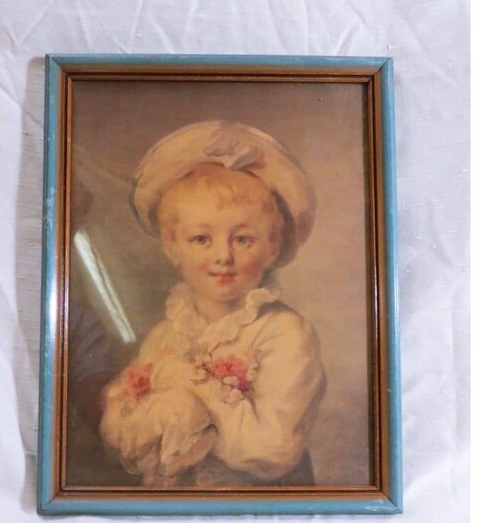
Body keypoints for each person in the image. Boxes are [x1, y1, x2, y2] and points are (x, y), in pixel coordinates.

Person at [99, 120, 327, 487]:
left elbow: (273, 448)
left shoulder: (285, 334)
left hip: (257, 506)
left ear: (272, 246)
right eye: (201, 239)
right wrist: (161, 415)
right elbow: (119, 430)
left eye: (243, 239)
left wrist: (193, 397)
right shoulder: (164, 336)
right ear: (172, 247)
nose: (223, 256)